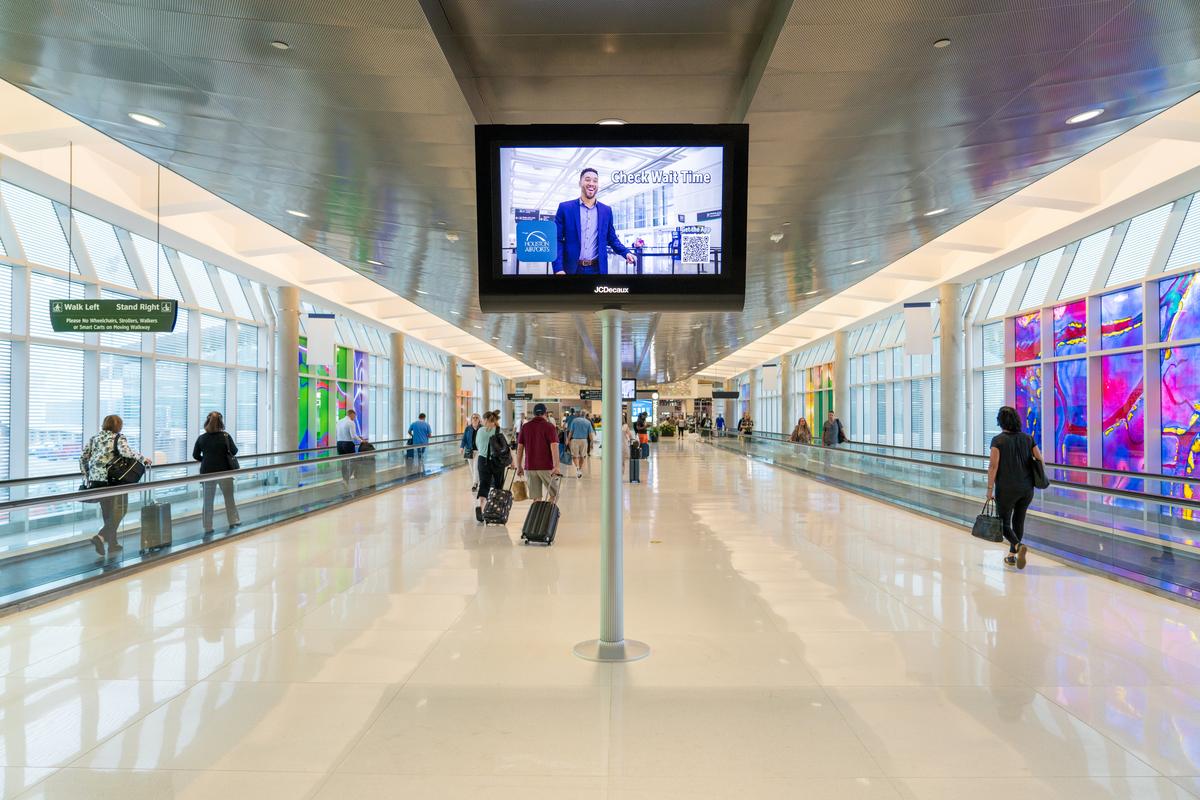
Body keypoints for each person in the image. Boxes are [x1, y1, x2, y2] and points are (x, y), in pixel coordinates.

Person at [80, 414, 151, 558]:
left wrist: (87, 475)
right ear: (119, 426)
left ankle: (112, 544)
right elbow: (126, 452)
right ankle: (100, 537)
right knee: (121, 510)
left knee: (108, 513)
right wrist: (144, 459)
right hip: (114, 480)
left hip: (96, 481)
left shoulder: (94, 438)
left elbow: (83, 458)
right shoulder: (118, 437)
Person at [552, 167, 638, 275]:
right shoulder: (565, 208)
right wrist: (558, 268)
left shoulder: (606, 210)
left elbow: (612, 238)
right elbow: (556, 240)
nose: (591, 183)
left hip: (597, 269)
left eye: (595, 181)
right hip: (571, 269)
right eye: (587, 179)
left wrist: (626, 253)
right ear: (580, 183)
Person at [987, 405, 1043, 569]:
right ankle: (1011, 556)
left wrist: (989, 489)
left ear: (1000, 422)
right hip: (1026, 489)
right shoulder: (1028, 438)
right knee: (1019, 521)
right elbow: (1040, 460)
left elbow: (993, 466)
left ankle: (1018, 546)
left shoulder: (998, 440)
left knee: (1003, 524)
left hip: (1006, 489)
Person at [193, 411, 241, 536]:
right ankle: (233, 522)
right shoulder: (225, 436)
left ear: (207, 422)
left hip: (207, 473)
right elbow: (234, 451)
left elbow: (195, 455)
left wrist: (207, 459)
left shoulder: (202, 438)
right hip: (225, 472)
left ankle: (208, 527)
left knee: (208, 501)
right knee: (229, 499)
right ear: (221, 422)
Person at [516, 402, 561, 501]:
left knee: (536, 498)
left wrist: (519, 466)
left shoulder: (525, 427)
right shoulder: (550, 427)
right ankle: (547, 515)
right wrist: (557, 466)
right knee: (555, 494)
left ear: (534, 414)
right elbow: (554, 447)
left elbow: (519, 448)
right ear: (546, 413)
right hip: (546, 467)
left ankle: (538, 516)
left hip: (530, 467)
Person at [474, 410, 503, 522]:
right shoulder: (498, 431)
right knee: (497, 485)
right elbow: (505, 447)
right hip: (496, 461)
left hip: (482, 460)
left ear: (485, 420)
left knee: (484, 484)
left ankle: (481, 508)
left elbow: (477, 445)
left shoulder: (480, 431)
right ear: (495, 420)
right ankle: (494, 511)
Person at [336, 408, 365, 483]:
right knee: (354, 461)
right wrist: (361, 440)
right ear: (351, 414)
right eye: (354, 417)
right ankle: (347, 478)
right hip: (348, 444)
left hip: (339, 444)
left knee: (344, 463)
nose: (354, 418)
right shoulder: (351, 422)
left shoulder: (339, 422)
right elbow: (353, 436)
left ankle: (344, 479)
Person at [566, 410, 595, 478]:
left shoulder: (575, 421)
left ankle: (577, 468)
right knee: (583, 456)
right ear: (585, 415)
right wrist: (591, 442)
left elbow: (571, 431)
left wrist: (568, 439)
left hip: (575, 440)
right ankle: (580, 469)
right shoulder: (588, 422)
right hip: (584, 440)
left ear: (579, 414)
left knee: (574, 456)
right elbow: (590, 433)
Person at [461, 413, 482, 492]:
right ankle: (477, 481)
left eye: (477, 417)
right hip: (469, 450)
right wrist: (461, 447)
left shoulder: (482, 428)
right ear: (471, 419)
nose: (475, 419)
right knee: (472, 468)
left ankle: (474, 484)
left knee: (476, 467)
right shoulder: (468, 428)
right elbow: (464, 439)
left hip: (479, 451)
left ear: (479, 419)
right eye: (473, 418)